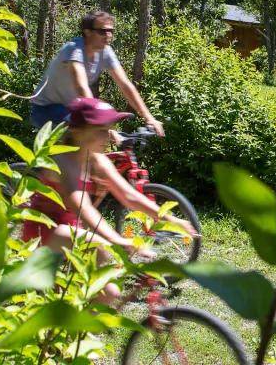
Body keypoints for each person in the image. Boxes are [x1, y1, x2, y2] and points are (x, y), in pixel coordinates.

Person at [20, 98, 198, 307]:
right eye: (101, 130)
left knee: (110, 292)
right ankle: (56, 306)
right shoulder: (63, 162)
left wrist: (170, 219)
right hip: (45, 231)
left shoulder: (97, 159)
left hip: (73, 231)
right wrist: (118, 240)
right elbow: (83, 209)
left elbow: (129, 196)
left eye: (109, 129)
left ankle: (74, 330)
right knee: (99, 247)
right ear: (78, 131)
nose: (109, 136)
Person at [31, 10, 164, 136]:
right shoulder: (74, 49)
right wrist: (98, 122)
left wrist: (148, 117)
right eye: (102, 31)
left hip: (71, 109)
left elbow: (125, 85)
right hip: (46, 109)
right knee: (88, 142)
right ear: (87, 32)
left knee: (96, 140)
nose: (108, 35)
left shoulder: (106, 51)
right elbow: (81, 86)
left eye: (111, 31)